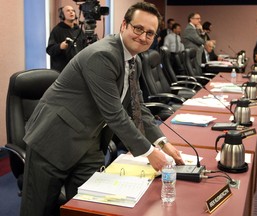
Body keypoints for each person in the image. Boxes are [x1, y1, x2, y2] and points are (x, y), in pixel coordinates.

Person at [20, 2, 184, 216]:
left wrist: (163, 143)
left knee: (88, 209)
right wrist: (150, 153)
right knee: (39, 211)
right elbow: (114, 112)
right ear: (124, 25)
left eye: (150, 33)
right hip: (54, 141)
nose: (143, 37)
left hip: (90, 144)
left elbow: (137, 107)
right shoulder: (103, 55)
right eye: (138, 28)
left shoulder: (135, 60)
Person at [46, 5, 87, 72]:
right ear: (62, 15)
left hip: (78, 69)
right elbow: (50, 50)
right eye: (68, 11)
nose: (71, 12)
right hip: (63, 71)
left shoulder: (79, 30)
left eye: (73, 11)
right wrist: (60, 47)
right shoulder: (57, 30)